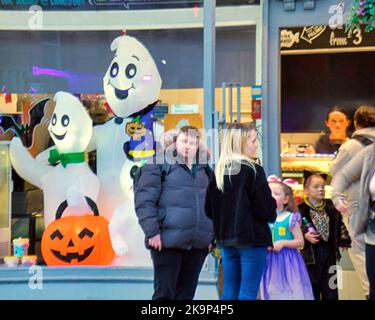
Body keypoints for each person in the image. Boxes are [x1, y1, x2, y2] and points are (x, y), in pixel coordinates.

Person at [134, 126, 214, 300]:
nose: (187, 146)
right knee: (164, 295)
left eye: (192, 143)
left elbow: (215, 205)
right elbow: (144, 201)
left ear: (198, 145)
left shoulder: (204, 169)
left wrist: (210, 237)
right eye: (184, 141)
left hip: (197, 244)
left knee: (186, 295)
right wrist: (152, 232)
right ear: (176, 141)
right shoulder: (159, 163)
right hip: (167, 241)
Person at [205, 122, 277, 300]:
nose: (256, 145)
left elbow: (209, 209)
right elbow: (266, 210)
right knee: (248, 291)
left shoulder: (219, 172)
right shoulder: (253, 170)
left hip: (227, 241)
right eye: (252, 141)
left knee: (229, 288)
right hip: (252, 240)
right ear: (240, 143)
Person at [331, 105, 375, 298]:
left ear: (355, 123)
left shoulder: (351, 146)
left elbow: (335, 171)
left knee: (360, 249)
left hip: (357, 204)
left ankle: (369, 291)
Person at [298, 171, 351, 300]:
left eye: (323, 187)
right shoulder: (301, 209)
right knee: (312, 290)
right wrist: (304, 235)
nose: (321, 189)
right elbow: (296, 226)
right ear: (306, 190)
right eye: (316, 187)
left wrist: (344, 239)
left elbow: (339, 224)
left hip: (329, 255)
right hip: (311, 257)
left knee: (331, 290)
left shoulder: (330, 207)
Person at [260, 181, 314, 300]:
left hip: (288, 261)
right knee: (271, 291)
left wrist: (283, 243)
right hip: (269, 261)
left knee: (291, 290)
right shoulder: (263, 218)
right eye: (269, 193)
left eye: (276, 193)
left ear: (285, 199)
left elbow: (300, 241)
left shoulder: (290, 218)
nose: (271, 196)